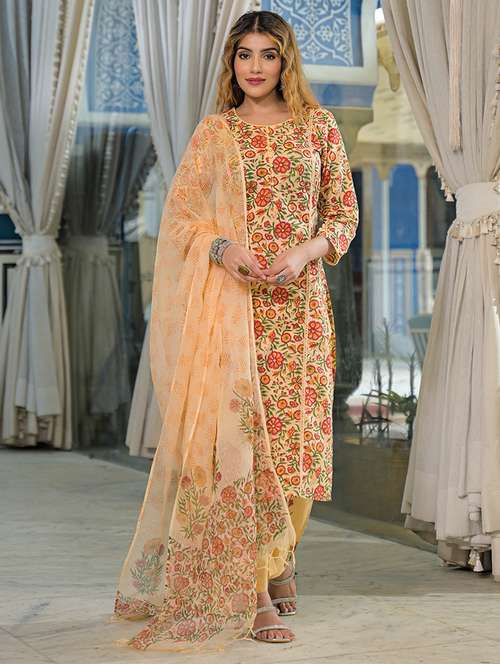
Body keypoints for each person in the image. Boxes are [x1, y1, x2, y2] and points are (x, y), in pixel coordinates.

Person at [113, 9, 358, 652]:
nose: (255, 67)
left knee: (297, 449)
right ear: (232, 64)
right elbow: (181, 218)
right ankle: (254, 593)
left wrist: (305, 252)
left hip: (300, 314)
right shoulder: (216, 132)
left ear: (285, 61)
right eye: (244, 55)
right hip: (233, 313)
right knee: (241, 450)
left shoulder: (319, 128)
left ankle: (281, 557)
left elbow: (342, 215)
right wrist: (224, 250)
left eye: (267, 54)